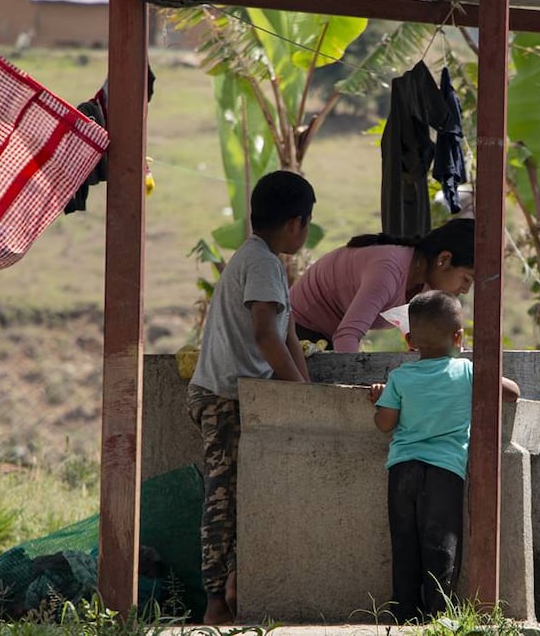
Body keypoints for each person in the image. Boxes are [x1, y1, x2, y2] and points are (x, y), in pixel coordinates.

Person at [187, 170, 316, 624]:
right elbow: (265, 334)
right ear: (296, 223)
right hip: (224, 396)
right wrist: (299, 394)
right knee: (223, 499)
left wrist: (305, 395)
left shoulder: (265, 261)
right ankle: (215, 603)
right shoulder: (261, 263)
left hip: (240, 396)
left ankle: (236, 590)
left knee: (243, 495)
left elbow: (289, 334)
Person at [368, 290, 520, 621]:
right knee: (441, 543)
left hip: (402, 470)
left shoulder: (400, 377)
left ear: (410, 340)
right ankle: (440, 614)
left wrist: (378, 400)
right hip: (444, 471)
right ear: (458, 336)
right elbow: (512, 393)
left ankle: (404, 612)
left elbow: (385, 425)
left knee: (405, 542)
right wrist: (483, 368)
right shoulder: (466, 372)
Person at [290, 218, 475, 353]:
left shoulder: (426, 283)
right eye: (467, 279)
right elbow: (346, 336)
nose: (466, 289)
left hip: (329, 340)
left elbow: (437, 340)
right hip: (297, 334)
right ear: (444, 259)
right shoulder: (387, 271)